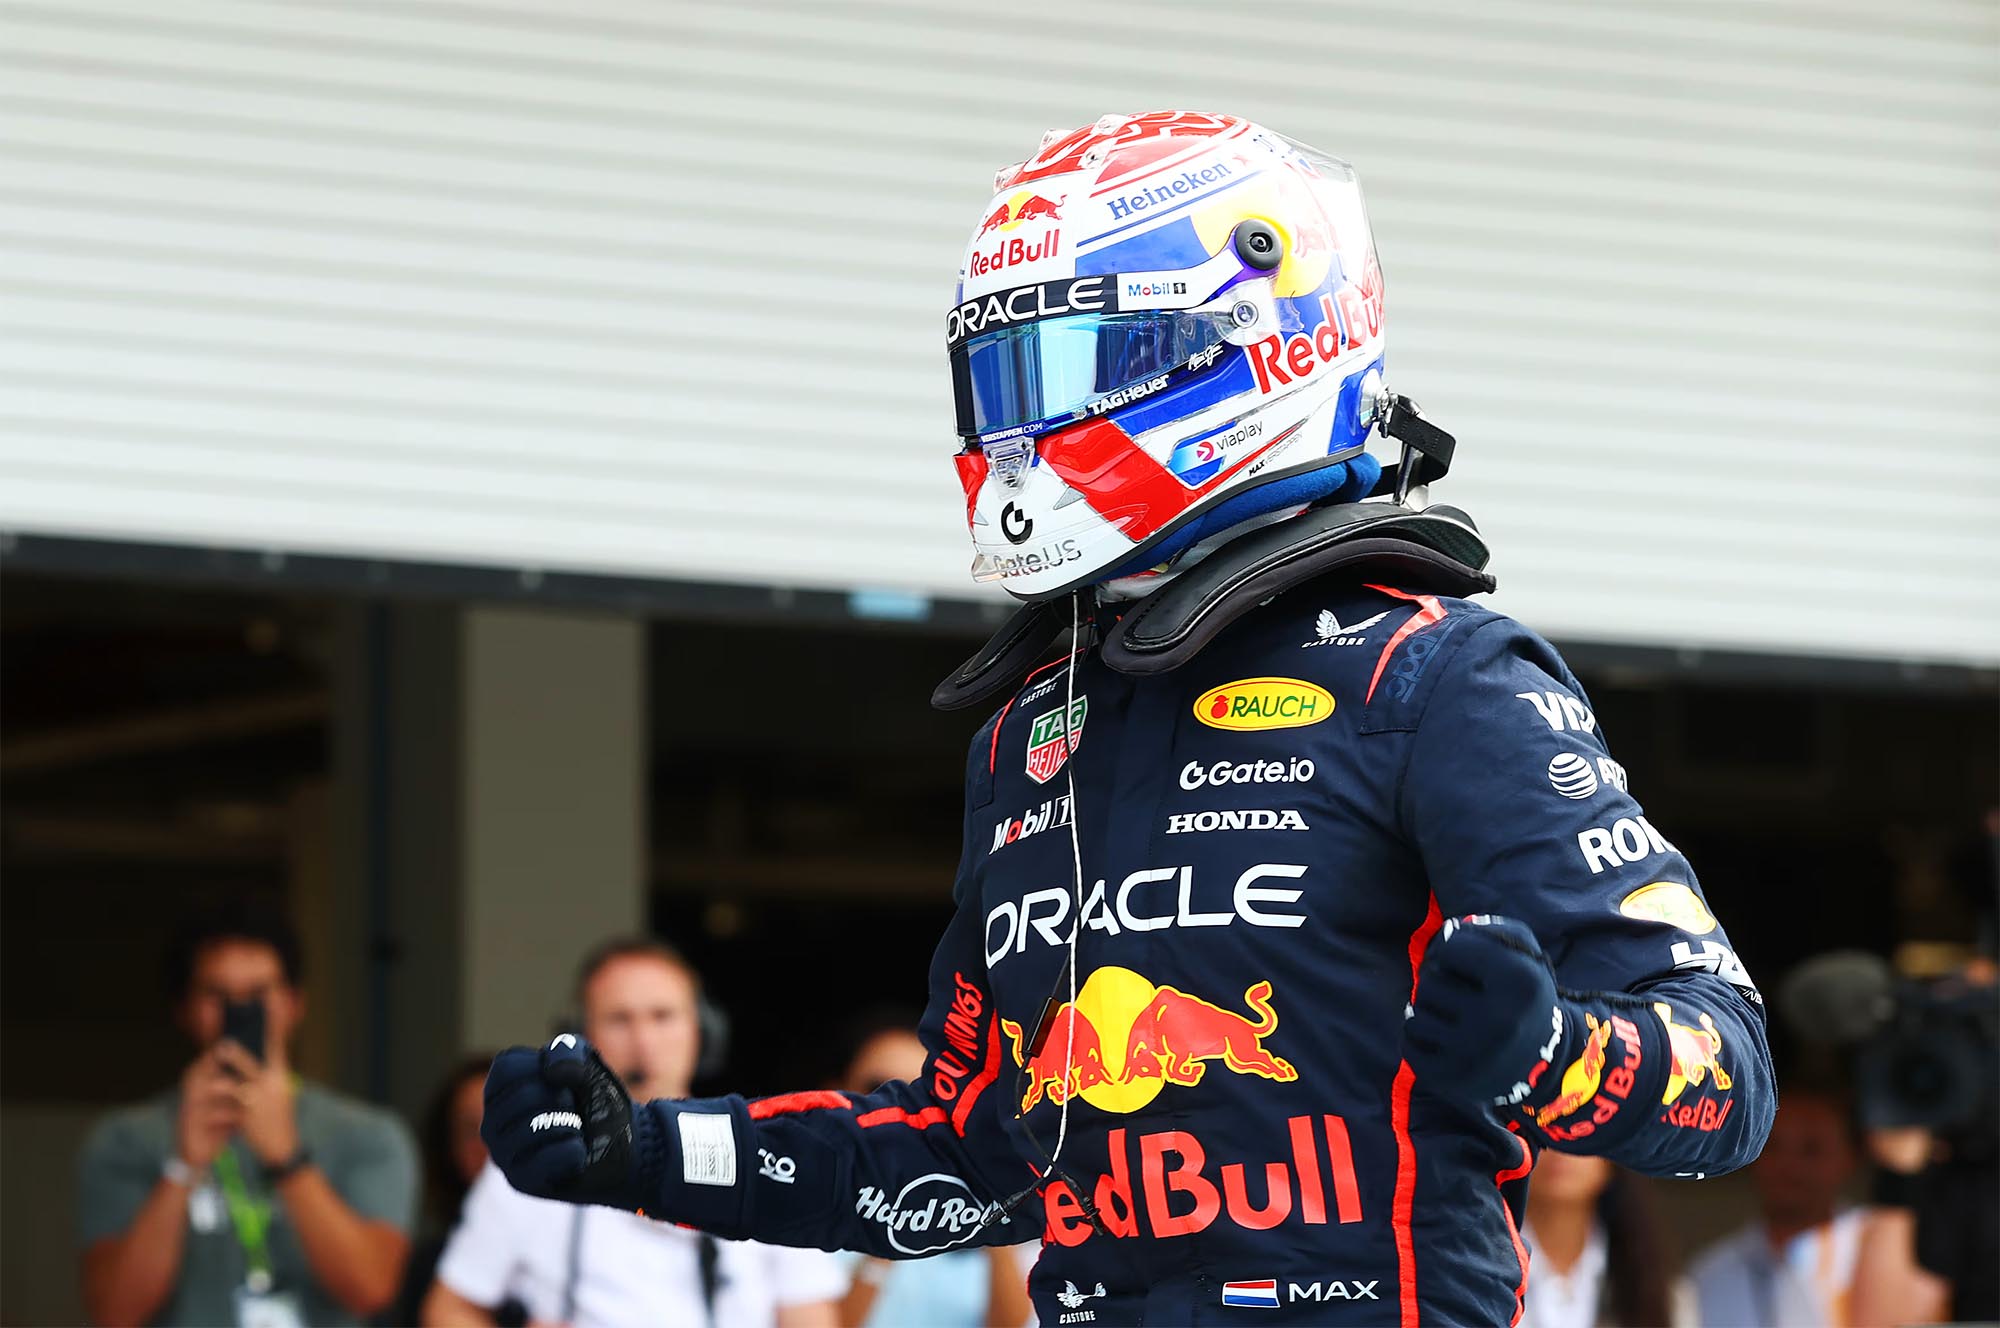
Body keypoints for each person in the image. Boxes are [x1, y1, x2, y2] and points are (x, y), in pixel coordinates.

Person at [477, 110, 1776, 1324]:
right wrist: (645, 1152)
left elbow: (1726, 1076)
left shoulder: (1436, 677)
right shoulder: (1031, 728)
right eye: (1002, 376)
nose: (1024, 422)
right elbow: (971, 1156)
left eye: (1071, 364)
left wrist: (1551, 1052)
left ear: (1255, 341)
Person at [423, 938, 845, 1327]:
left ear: (702, 1031)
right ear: (580, 1036)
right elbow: (448, 1310)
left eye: (662, 1016)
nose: (643, 1042)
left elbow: (810, 1314)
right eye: (619, 1019)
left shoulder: (761, 1152)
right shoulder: (534, 1157)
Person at [77, 899, 418, 1326]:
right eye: (216, 995)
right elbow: (114, 1310)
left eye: (258, 994)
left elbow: (372, 1288)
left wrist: (287, 1157)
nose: (237, 1012)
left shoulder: (368, 1133)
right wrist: (182, 1168)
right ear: (184, 1009)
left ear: (294, 1002)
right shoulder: (127, 1138)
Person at [833, 1017, 1033, 1328]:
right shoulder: (800, 1203)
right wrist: (887, 1227)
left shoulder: (979, 1213)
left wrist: (989, 1201)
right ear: (835, 1091)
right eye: (878, 1089)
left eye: (920, 1095)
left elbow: (1012, 1324)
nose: (897, 1109)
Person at [1687, 1088, 1868, 1325]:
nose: (1789, 1166)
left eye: (1811, 1149)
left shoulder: (1881, 1257)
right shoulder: (1708, 1277)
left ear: (1851, 1158)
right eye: (1772, 1146)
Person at [393, 1055, 527, 1327]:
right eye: (470, 1130)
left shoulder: (582, 1231)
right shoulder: (431, 1268)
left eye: (505, 1124)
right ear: (448, 1149)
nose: (489, 1145)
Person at [1520, 1151, 1685, 1327]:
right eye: (1542, 1137)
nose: (1559, 1151)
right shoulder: (1498, 1262)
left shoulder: (1662, 1293)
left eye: (1581, 1137)